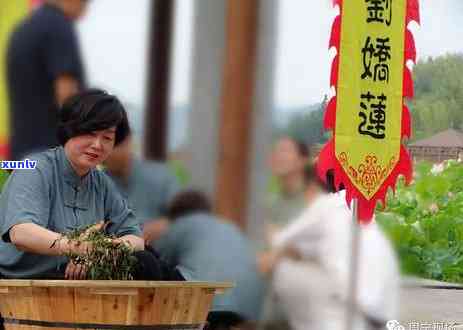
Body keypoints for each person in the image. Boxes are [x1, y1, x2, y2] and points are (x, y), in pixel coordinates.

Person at [0, 89, 183, 282]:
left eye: (107, 137)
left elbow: (136, 238)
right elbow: (20, 233)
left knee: (147, 260)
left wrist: (99, 255)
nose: (97, 144)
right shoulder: (34, 167)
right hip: (22, 283)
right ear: (69, 130)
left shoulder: (101, 182)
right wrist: (79, 248)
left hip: (73, 278)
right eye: (90, 133)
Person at [259, 165, 400, 330]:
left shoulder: (325, 205)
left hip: (353, 307)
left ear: (312, 187)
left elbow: (280, 238)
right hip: (382, 307)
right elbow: (310, 249)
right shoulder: (356, 209)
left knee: (285, 269)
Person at [150, 190, 265, 330]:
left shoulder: (179, 225)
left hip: (209, 306)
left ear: (173, 215)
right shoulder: (228, 226)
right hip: (251, 308)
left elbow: (157, 266)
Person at [6, 0, 87, 160]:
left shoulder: (23, 28)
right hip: (48, 159)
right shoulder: (59, 25)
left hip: (18, 161)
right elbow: (67, 96)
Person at [103, 134, 180, 239]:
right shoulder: (97, 183)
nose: (109, 152)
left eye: (113, 143)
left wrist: (163, 225)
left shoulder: (161, 176)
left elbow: (183, 217)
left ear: (128, 141)